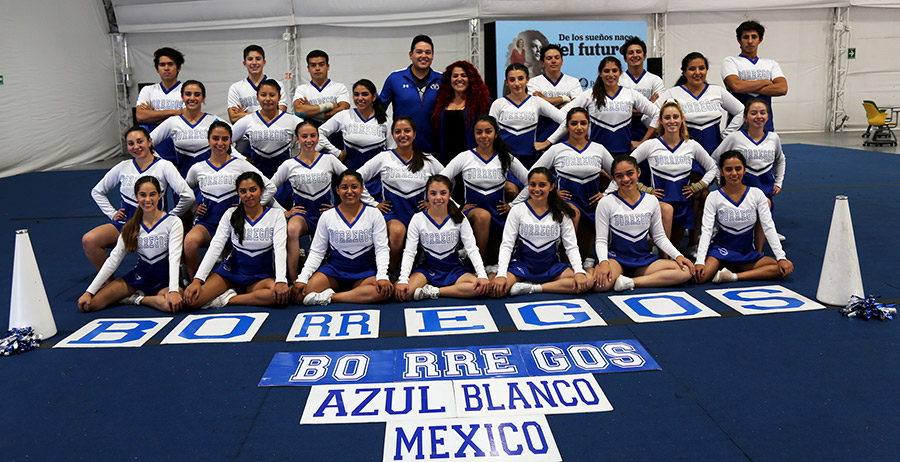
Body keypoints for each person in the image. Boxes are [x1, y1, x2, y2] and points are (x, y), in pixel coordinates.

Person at [271, 122, 376, 283]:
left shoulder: (329, 159)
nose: (309, 140)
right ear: (297, 139)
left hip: (325, 214)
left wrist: (369, 204)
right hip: (304, 215)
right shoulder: (289, 164)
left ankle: (325, 273)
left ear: (318, 138)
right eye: (304, 136)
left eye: (312, 135)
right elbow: (268, 189)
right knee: (291, 230)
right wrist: (283, 212)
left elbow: (353, 179)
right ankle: (292, 280)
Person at [82, 127, 193, 271]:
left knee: (164, 267)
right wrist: (112, 213)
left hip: (156, 227)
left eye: (140, 141)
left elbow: (188, 196)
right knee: (89, 240)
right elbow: (97, 191)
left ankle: (180, 274)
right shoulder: (123, 167)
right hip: (128, 225)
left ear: (149, 141)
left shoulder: (164, 166)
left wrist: (171, 216)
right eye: (131, 143)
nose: (136, 147)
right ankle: (109, 283)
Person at [512, 107, 613, 260]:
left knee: (587, 248)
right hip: (567, 202)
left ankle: (589, 262)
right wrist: (551, 192)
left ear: (588, 125)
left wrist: (606, 195)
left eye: (583, 123)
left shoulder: (598, 149)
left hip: (592, 204)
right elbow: (532, 176)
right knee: (572, 215)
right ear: (567, 127)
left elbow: (619, 175)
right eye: (574, 123)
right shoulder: (557, 149)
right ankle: (565, 265)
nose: (579, 127)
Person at [183, 121, 276, 280]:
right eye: (215, 138)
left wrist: (250, 206)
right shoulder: (198, 168)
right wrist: (193, 207)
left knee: (229, 266)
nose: (220, 143)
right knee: (190, 242)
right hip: (208, 224)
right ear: (208, 139)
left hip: (235, 224)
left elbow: (269, 186)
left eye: (225, 139)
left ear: (231, 141)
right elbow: (184, 191)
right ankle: (194, 282)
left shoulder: (240, 165)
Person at [184, 172, 289, 309]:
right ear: (238, 193)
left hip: (260, 276)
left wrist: (281, 280)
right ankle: (237, 292)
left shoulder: (276, 215)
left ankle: (229, 299)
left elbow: (280, 248)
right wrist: (198, 280)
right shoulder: (230, 214)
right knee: (192, 301)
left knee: (277, 296)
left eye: (253, 190)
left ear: (262, 190)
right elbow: (216, 246)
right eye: (243, 191)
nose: (248, 195)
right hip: (231, 273)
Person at [78, 177, 184, 313]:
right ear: (136, 197)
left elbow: (174, 257)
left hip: (165, 281)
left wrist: (174, 290)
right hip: (139, 278)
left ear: (159, 195)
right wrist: (89, 292)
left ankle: (136, 299)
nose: (147, 200)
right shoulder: (131, 226)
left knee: (171, 306)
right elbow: (114, 259)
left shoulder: (173, 222)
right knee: (89, 305)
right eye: (143, 195)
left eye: (152, 194)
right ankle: (135, 294)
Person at [593, 156, 694, 292]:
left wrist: (678, 255)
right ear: (614, 178)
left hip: (643, 260)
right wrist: (604, 262)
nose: (626, 179)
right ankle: (621, 276)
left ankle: (630, 281)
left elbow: (659, 237)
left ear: (638, 172)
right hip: (617, 259)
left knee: (685, 271)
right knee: (601, 285)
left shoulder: (651, 200)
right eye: (619, 176)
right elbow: (601, 240)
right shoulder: (606, 202)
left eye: (630, 173)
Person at [292, 170, 393, 306]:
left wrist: (382, 276)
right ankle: (352, 295)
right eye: (344, 187)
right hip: (334, 271)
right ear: (337, 190)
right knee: (297, 296)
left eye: (354, 187)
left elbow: (381, 249)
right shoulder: (327, 216)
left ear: (362, 189)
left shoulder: (374, 214)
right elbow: (317, 252)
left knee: (383, 292)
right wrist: (303, 278)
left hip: (364, 272)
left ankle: (331, 297)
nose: (349, 191)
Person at [440, 115, 529, 267]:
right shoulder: (465, 157)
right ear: (474, 134)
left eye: (488, 131)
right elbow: (440, 182)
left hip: (498, 216)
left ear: (496, 133)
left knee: (495, 260)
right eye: (479, 132)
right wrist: (456, 206)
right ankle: (476, 266)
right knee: (483, 216)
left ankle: (473, 258)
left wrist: (513, 205)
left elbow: (531, 182)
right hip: (473, 215)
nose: (483, 136)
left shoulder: (505, 157)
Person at [358, 117, 444, 274]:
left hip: (420, 215)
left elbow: (446, 180)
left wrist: (433, 203)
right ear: (392, 135)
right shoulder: (384, 157)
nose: (402, 135)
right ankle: (388, 272)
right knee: (397, 232)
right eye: (397, 132)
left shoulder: (428, 159)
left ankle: (413, 270)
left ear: (414, 134)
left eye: (407, 131)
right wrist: (373, 203)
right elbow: (356, 178)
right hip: (393, 214)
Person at [693, 151, 793, 284]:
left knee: (783, 267)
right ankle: (725, 266)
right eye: (728, 169)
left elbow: (768, 227)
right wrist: (700, 261)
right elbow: (706, 230)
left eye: (738, 169)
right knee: (700, 277)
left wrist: (781, 257)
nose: (734, 173)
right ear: (721, 172)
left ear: (744, 170)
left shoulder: (756, 194)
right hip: (721, 251)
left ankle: (732, 276)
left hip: (746, 253)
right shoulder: (714, 196)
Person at [629, 100, 716, 251]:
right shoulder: (651, 145)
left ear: (682, 119)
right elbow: (626, 167)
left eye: (675, 117)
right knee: (662, 252)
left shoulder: (692, 145)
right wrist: (644, 189)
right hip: (658, 205)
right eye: (667, 117)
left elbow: (713, 168)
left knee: (673, 250)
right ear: (661, 121)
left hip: (683, 205)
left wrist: (698, 186)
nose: (672, 121)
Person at [490, 167, 591, 297]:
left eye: (542, 185)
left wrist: (578, 271)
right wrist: (502, 274)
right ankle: (494, 271)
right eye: (532, 185)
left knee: (586, 282)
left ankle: (534, 288)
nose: (536, 189)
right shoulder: (518, 210)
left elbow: (571, 246)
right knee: (494, 291)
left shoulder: (561, 212)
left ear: (551, 186)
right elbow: (507, 244)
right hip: (522, 266)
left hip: (552, 267)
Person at [394, 175, 490, 301]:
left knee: (481, 289)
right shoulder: (418, 219)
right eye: (433, 193)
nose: (438, 198)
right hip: (428, 270)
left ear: (449, 194)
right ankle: (438, 288)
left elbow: (471, 248)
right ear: (427, 195)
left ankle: (434, 291)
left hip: (454, 270)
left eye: (443, 193)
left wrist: (482, 275)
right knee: (402, 294)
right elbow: (410, 252)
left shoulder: (459, 218)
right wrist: (403, 279)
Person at [547, 57, 659, 157]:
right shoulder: (590, 94)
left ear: (620, 73)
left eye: (614, 71)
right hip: (596, 154)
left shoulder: (631, 94)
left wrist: (643, 142)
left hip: (624, 152)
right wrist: (550, 141)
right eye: (606, 71)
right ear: (600, 73)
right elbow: (563, 113)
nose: (611, 74)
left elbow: (657, 114)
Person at [317, 79, 394, 197]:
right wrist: (336, 152)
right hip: (347, 176)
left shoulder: (385, 121)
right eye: (356, 94)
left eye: (365, 94)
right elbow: (319, 132)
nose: (360, 98)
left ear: (374, 97)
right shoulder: (344, 115)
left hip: (374, 181)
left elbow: (391, 152)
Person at [231, 79, 303, 206]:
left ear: (279, 97)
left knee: (282, 213)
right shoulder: (249, 120)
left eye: (272, 95)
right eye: (263, 95)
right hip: (257, 177)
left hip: (283, 179)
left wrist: (299, 158)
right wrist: (241, 158)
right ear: (257, 97)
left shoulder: (291, 120)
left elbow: (314, 138)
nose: (268, 99)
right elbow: (226, 141)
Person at [657, 52, 744, 156]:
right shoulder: (672, 93)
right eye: (692, 69)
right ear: (684, 72)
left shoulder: (717, 91)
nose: (697, 72)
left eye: (701, 68)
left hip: (715, 152)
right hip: (685, 154)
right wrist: (665, 137)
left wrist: (726, 136)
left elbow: (741, 111)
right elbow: (649, 115)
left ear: (706, 70)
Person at [490, 63, 565, 168]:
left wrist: (548, 142)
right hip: (503, 158)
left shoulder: (537, 102)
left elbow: (566, 120)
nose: (517, 83)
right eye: (512, 80)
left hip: (529, 158)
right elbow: (490, 131)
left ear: (527, 80)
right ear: (506, 83)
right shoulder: (498, 104)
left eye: (520, 78)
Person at [150, 80, 225, 178]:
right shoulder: (173, 122)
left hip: (209, 181)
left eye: (197, 94)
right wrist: (163, 164)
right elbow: (147, 142)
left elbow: (233, 139)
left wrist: (237, 160)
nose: (192, 98)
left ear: (203, 98)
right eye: (188, 94)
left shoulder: (213, 121)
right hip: (181, 180)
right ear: (182, 97)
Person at [722, 21, 787, 131]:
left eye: (754, 37)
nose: (750, 41)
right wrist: (765, 82)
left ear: (760, 40)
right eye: (746, 37)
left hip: (765, 125)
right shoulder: (731, 61)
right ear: (739, 40)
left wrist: (747, 86)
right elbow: (736, 86)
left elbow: (782, 89)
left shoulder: (771, 63)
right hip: (738, 125)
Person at [381, 35, 441, 153]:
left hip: (434, 150)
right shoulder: (395, 79)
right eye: (419, 52)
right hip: (402, 150)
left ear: (432, 56)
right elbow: (378, 110)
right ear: (410, 55)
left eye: (428, 52)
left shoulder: (443, 80)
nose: (423, 56)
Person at [430, 60, 492, 166]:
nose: (459, 79)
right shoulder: (441, 103)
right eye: (455, 76)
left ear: (471, 79)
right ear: (449, 79)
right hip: (446, 159)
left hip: (473, 160)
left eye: (464, 75)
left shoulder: (483, 102)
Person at [292, 49, 351, 150]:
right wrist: (330, 106)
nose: (317, 68)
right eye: (313, 65)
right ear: (308, 68)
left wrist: (310, 109)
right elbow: (298, 110)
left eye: (321, 64)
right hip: (311, 141)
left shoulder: (339, 87)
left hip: (336, 138)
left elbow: (344, 108)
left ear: (328, 66)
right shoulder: (302, 89)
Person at [136, 47, 185, 163]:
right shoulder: (148, 90)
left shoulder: (186, 90)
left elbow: (187, 118)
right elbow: (141, 116)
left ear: (178, 68)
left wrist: (153, 115)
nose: (166, 68)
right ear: (157, 69)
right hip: (155, 148)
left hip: (180, 148)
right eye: (162, 65)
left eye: (170, 64)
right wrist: (173, 112)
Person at [528, 44, 584, 143]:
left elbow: (576, 108)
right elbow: (537, 107)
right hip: (543, 134)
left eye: (557, 58)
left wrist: (545, 100)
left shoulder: (573, 82)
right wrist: (566, 99)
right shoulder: (533, 82)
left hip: (569, 136)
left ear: (562, 61)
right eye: (549, 58)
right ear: (542, 63)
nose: (553, 61)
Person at [618, 37, 665, 145]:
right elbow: (619, 107)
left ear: (644, 56)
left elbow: (658, 108)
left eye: (638, 52)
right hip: (624, 131)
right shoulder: (618, 80)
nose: (635, 55)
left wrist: (632, 107)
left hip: (650, 132)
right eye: (630, 53)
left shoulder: (655, 80)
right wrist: (649, 103)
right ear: (625, 59)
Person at [226, 45, 287, 124]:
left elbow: (281, 113)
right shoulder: (235, 88)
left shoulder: (278, 85)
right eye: (250, 59)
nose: (254, 63)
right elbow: (233, 118)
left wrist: (244, 114)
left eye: (258, 59)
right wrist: (268, 113)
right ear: (244, 63)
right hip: (246, 134)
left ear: (264, 62)